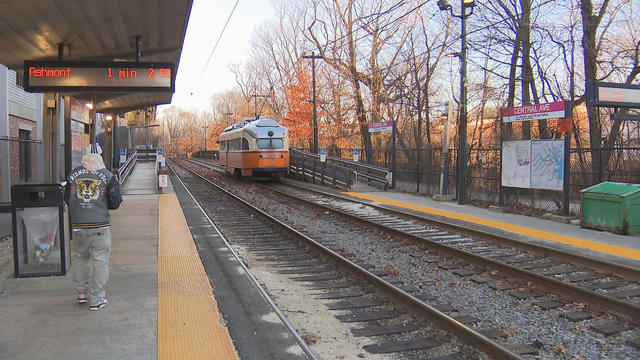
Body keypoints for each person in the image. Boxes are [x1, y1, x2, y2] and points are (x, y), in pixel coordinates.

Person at [66, 144, 122, 310]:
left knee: (79, 258)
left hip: (78, 226)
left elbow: (67, 199)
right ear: (101, 156)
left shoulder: (72, 175)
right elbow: (115, 202)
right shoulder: (107, 176)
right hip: (100, 226)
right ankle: (96, 298)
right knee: (100, 261)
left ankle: (82, 293)